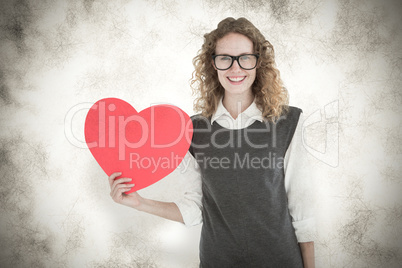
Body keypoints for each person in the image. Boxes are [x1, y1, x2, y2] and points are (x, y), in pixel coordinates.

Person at [108, 17, 315, 267]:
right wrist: (139, 203)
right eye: (225, 58)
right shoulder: (192, 130)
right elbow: (195, 211)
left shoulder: (289, 122)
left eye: (245, 58)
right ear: (213, 65)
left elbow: (302, 210)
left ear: (258, 63)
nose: (235, 68)